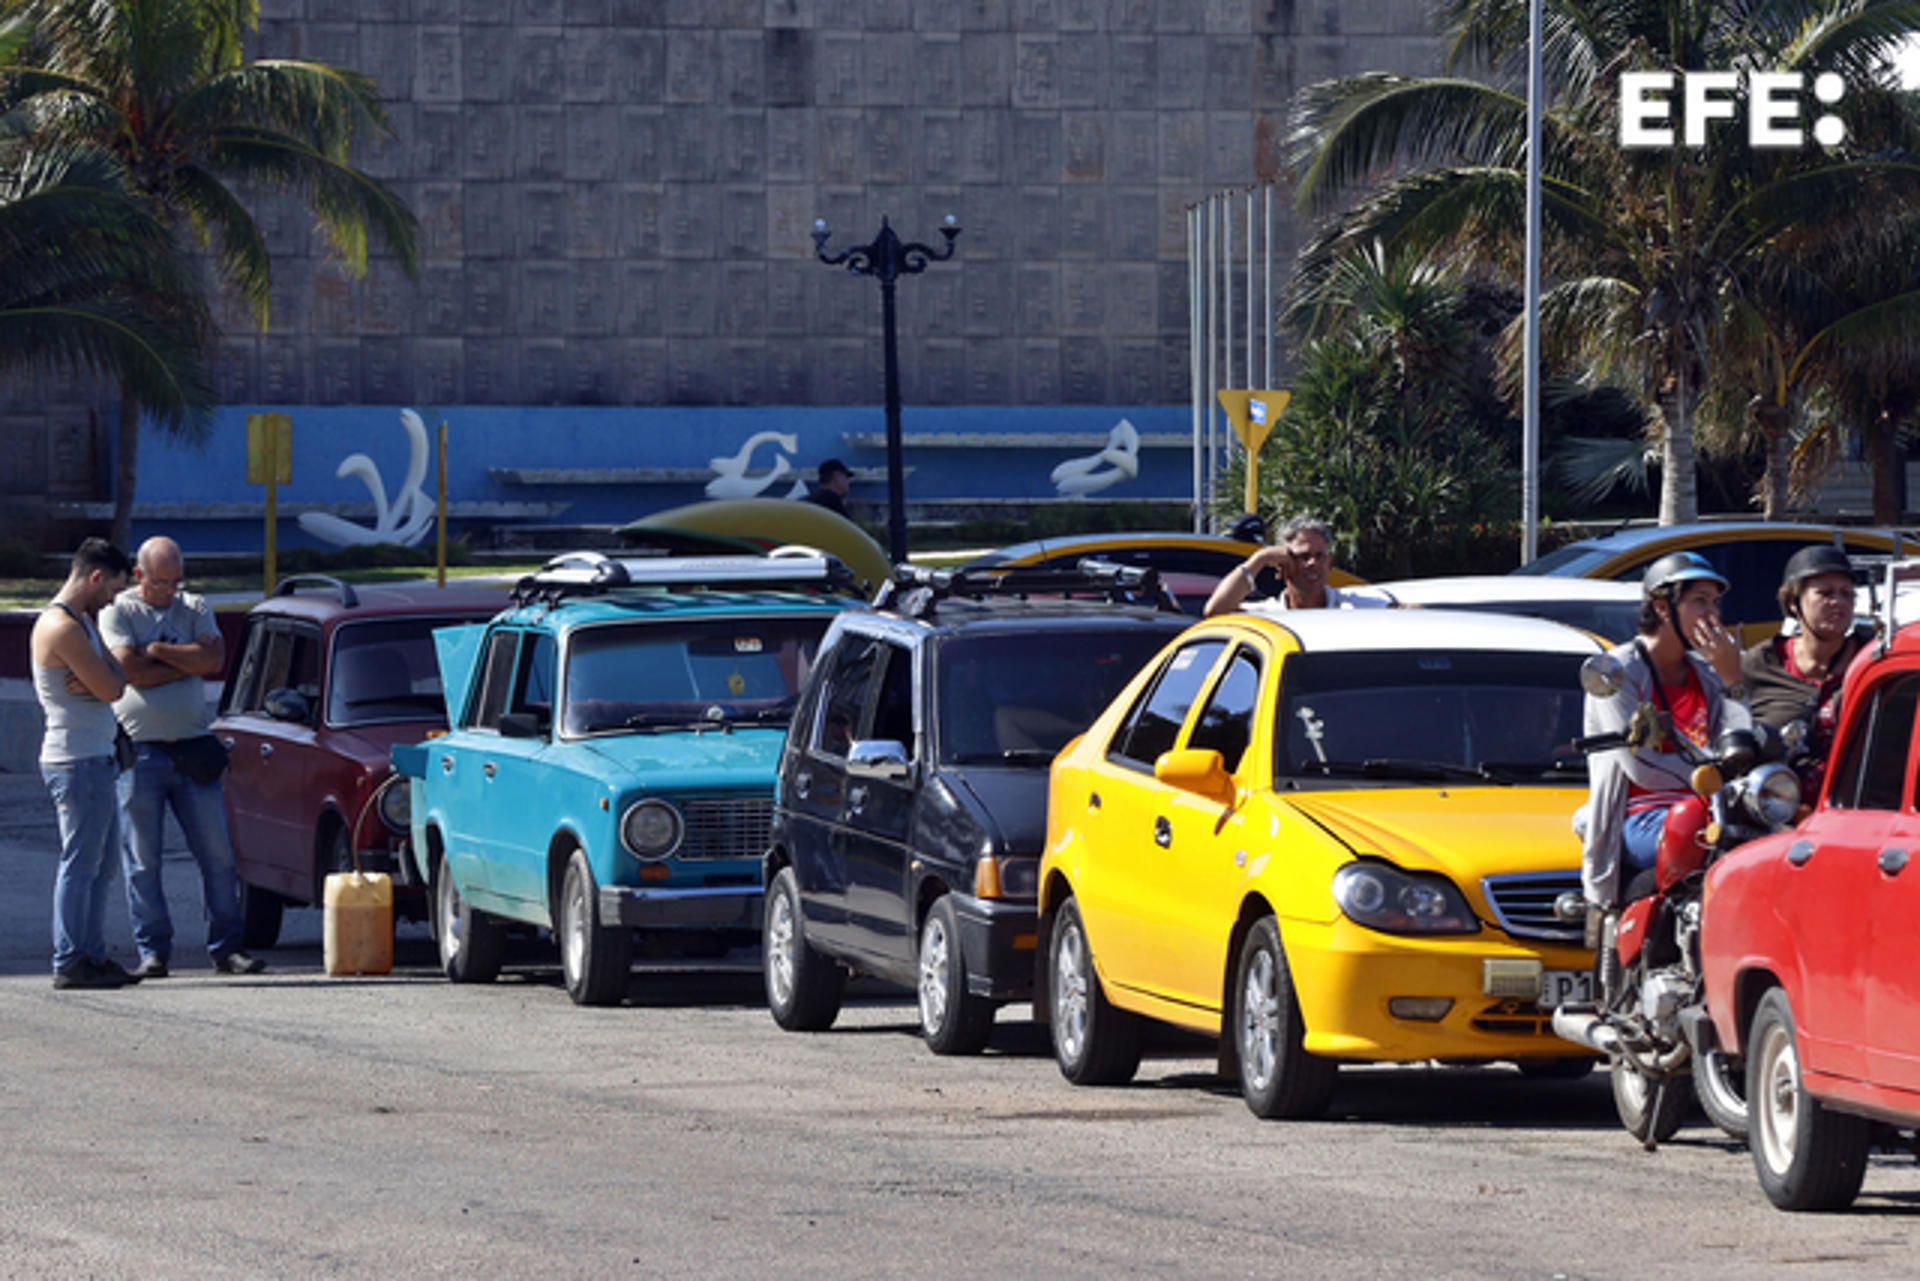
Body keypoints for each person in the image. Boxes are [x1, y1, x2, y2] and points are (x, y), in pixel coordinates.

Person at [101, 537, 264, 977]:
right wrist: (182, 660)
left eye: (176, 582)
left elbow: (213, 659)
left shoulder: (194, 606)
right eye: (160, 584)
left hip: (194, 748)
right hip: (142, 752)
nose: (169, 592)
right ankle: (153, 951)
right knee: (142, 859)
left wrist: (154, 650)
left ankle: (227, 947)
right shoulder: (119, 611)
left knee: (218, 855)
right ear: (139, 576)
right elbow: (127, 671)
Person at [1579, 551, 1751, 907]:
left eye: (1716, 603)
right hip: (1642, 817)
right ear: (1661, 607)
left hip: (1711, 807)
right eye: (1699, 602)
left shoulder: (1706, 674)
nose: (1712, 615)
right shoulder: (1617, 671)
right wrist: (1714, 770)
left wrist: (1733, 682)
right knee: (1703, 838)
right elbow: (1641, 768)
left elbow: (1738, 747)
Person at [31, 537, 143, 990]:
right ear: (95, 577)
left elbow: (115, 677)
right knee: (80, 862)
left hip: (95, 758)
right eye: (113, 589)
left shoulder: (83, 622)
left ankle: (91, 954)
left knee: (100, 865)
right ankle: (71, 958)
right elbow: (114, 689)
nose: (114, 599)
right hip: (75, 760)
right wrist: (106, 674)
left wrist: (105, 673)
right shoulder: (64, 627)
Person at [1739, 544, 1868, 796]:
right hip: (1776, 812)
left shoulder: (1872, 659)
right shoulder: (1759, 664)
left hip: (1862, 809)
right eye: (1826, 593)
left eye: (1846, 594)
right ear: (1793, 602)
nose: (1839, 602)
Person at [1203, 515, 1390, 616]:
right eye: (1302, 556)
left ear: (1329, 563)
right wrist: (1259, 559)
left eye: (1319, 556)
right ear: (1282, 563)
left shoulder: (1353, 607)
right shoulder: (1270, 615)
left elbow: (1408, 614)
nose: (1313, 563)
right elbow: (1215, 610)